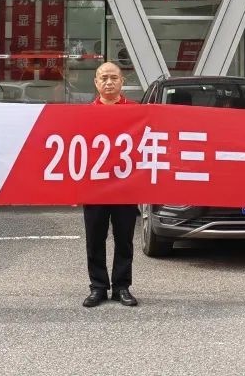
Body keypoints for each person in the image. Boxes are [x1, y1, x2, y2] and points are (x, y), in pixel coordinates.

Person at [81, 61, 140, 308]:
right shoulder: (84, 114)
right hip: (94, 187)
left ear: (122, 81)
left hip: (126, 186)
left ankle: (122, 286)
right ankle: (98, 286)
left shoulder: (137, 112)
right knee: (95, 238)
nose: (108, 82)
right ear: (96, 82)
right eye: (103, 78)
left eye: (114, 78)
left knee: (124, 238)